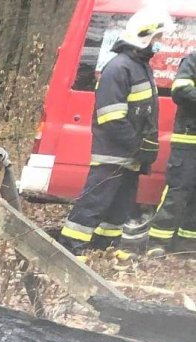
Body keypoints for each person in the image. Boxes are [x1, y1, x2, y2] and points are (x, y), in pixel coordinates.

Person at [57, 8, 172, 261]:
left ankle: (104, 246)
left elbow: (143, 112)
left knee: (121, 203)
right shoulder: (118, 68)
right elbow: (111, 116)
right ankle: (70, 248)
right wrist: (136, 145)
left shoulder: (140, 67)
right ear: (143, 36)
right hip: (113, 153)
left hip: (129, 154)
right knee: (95, 201)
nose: (158, 44)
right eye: (156, 38)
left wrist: (144, 146)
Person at [150, 48, 196, 254]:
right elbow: (180, 90)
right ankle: (158, 243)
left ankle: (188, 244)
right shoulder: (193, 59)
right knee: (179, 188)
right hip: (189, 138)